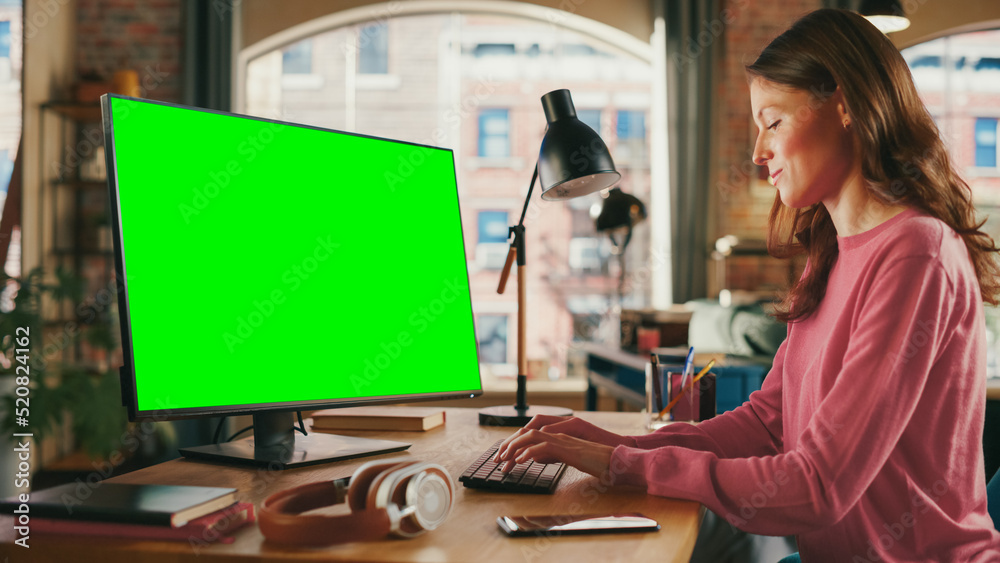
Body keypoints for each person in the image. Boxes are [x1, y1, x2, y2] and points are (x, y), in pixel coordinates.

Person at [493, 8, 1000, 562]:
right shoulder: (828, 255)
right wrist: (614, 444)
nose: (758, 151)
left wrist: (627, 464)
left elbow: (817, 488)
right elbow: (767, 422)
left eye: (773, 121)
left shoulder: (916, 254)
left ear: (847, 104)